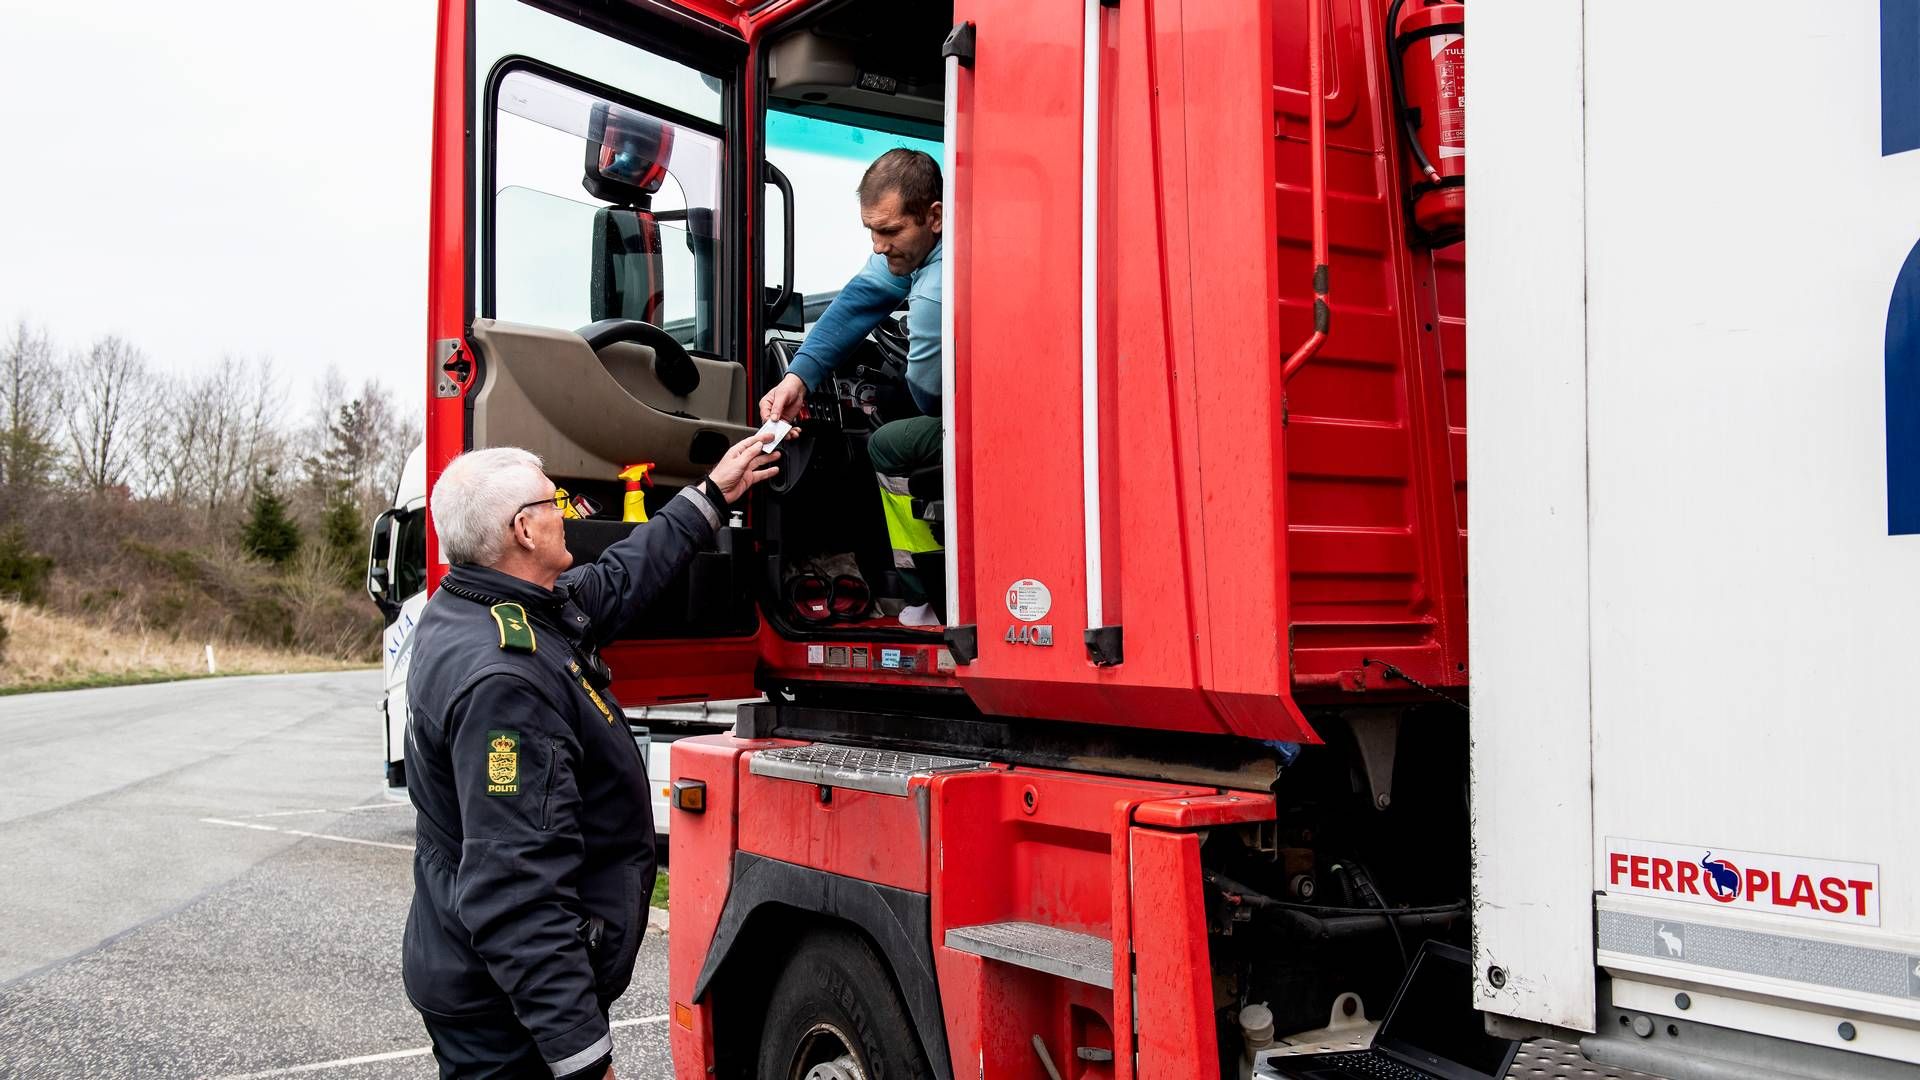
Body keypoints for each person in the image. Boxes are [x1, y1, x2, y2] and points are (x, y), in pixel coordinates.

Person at [401, 435, 779, 1080]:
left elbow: (618, 577)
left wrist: (710, 496)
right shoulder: (505, 686)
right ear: (523, 529)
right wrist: (579, 1052)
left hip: (481, 981)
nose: (568, 513)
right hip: (505, 1010)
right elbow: (516, 890)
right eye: (556, 504)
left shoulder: (480, 605)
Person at [758, 147, 946, 626]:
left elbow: (927, 396)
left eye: (889, 231)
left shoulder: (931, 295)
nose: (879, 246)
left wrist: (877, 401)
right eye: (871, 231)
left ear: (934, 216)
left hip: (990, 420)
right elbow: (858, 301)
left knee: (889, 443)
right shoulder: (931, 252)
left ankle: (930, 595)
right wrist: (800, 376)